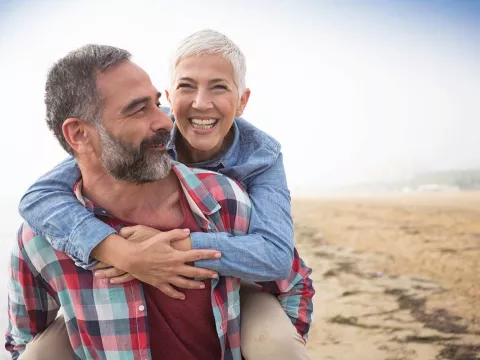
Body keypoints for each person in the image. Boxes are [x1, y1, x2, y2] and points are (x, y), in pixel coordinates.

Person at [6, 44, 314, 360]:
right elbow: (19, 341)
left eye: (155, 104)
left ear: (241, 100)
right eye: (140, 109)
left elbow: (287, 274)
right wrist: (119, 251)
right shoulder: (42, 237)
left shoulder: (233, 195)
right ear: (79, 135)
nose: (167, 123)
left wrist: (184, 248)